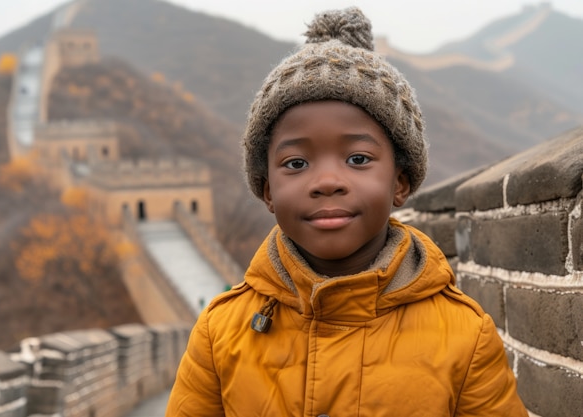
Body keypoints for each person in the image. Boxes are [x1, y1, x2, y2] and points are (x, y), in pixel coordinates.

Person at [165, 7, 528, 416]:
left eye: (357, 158)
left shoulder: (464, 334)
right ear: (268, 191)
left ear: (400, 182)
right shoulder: (220, 333)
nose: (327, 181)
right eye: (297, 164)